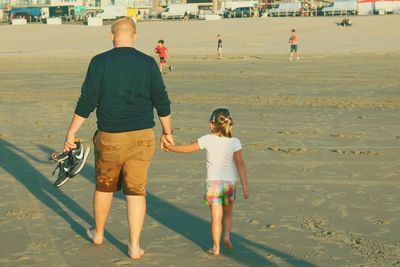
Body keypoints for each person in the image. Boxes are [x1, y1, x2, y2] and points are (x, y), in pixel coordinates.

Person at [62, 17, 174, 260]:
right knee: (136, 192)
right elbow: (161, 100)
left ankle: (99, 233)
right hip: (142, 136)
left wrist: (71, 132)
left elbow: (87, 100)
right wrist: (168, 132)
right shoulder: (148, 62)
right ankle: (134, 246)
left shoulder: (99, 62)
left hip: (110, 136)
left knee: (104, 187)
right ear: (134, 35)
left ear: (113, 36)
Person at [162, 108, 249, 256]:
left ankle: (216, 248)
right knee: (228, 212)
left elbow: (187, 149)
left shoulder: (207, 139)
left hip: (213, 183)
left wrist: (170, 147)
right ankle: (227, 236)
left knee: (216, 216)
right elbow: (240, 164)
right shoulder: (235, 142)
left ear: (212, 124)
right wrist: (245, 187)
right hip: (229, 183)